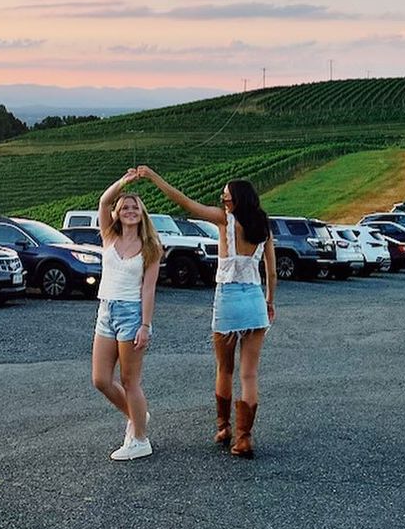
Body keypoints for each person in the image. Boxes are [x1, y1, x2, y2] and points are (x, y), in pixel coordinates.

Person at [136, 167, 275, 457]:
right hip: (255, 300)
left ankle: (224, 428)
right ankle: (245, 438)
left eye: (226, 195)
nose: (223, 199)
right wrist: (269, 301)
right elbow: (271, 272)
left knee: (225, 368)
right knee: (249, 374)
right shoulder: (263, 226)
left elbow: (184, 202)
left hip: (228, 299)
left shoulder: (225, 219)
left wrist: (153, 176)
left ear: (237, 198)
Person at [91, 168, 162, 461]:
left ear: (142, 214)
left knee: (130, 381)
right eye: (125, 208)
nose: (130, 211)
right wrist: (124, 182)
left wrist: (145, 325)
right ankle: (137, 415)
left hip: (131, 313)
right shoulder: (109, 236)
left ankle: (140, 440)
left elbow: (149, 289)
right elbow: (103, 201)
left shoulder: (151, 247)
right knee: (101, 380)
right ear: (118, 214)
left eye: (135, 207)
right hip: (106, 310)